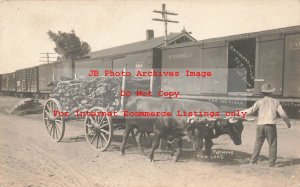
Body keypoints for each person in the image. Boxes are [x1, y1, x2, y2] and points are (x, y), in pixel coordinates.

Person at [242, 83, 291, 167]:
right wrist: (288, 123)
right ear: (271, 92)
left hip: (260, 125)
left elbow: (250, 111)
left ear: (263, 93)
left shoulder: (259, 102)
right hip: (270, 126)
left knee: (258, 143)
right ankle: (271, 164)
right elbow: (283, 114)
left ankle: (253, 161)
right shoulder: (276, 102)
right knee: (272, 144)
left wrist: (237, 113)